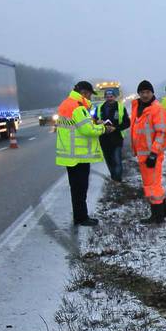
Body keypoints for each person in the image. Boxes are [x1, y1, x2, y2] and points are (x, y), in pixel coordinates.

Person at [56, 81, 112, 226]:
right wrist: (103, 128)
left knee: (76, 189)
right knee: (80, 189)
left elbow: (78, 125)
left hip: (69, 153)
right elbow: (88, 130)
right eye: (89, 95)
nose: (90, 98)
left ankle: (79, 216)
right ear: (84, 93)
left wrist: (94, 122)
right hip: (78, 155)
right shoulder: (77, 107)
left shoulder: (66, 104)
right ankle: (82, 218)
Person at [130, 80, 166, 224]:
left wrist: (154, 153)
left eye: (147, 92)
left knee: (152, 186)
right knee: (153, 183)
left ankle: (157, 216)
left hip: (152, 155)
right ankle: (164, 211)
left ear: (152, 93)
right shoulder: (138, 108)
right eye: (142, 92)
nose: (145, 95)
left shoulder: (157, 109)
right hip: (143, 155)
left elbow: (162, 133)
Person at [97, 88, 130, 181]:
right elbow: (93, 120)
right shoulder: (100, 108)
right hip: (104, 138)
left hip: (117, 138)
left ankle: (118, 179)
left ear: (115, 97)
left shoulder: (120, 108)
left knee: (117, 159)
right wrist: (97, 121)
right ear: (105, 97)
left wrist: (115, 128)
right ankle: (113, 177)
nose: (109, 98)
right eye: (107, 97)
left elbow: (127, 123)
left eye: (111, 96)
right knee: (109, 160)